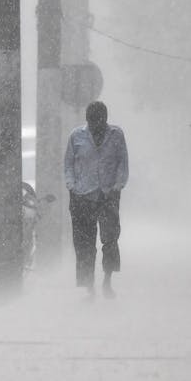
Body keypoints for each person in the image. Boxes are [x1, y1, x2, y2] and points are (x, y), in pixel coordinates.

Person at [64, 101, 128, 299]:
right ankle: (89, 286)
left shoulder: (116, 136)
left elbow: (123, 164)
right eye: (91, 122)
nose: (94, 126)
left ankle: (107, 281)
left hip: (108, 196)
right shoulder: (76, 136)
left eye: (98, 122)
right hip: (82, 197)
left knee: (110, 241)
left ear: (105, 119)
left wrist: (116, 187)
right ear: (87, 120)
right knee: (84, 244)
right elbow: (68, 164)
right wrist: (72, 186)